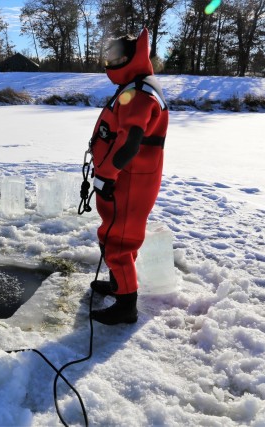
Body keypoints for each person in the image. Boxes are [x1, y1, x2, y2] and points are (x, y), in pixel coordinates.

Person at [87, 28, 169, 325]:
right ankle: (118, 283)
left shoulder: (140, 91)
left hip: (130, 179)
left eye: (114, 57)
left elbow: (129, 142)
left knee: (119, 240)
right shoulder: (134, 85)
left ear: (129, 58)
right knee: (115, 233)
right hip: (129, 177)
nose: (109, 63)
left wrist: (106, 175)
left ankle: (125, 306)